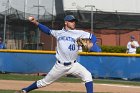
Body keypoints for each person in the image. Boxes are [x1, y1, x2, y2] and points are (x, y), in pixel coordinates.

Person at [15, 15, 99, 93]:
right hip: (60, 66)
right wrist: (35, 22)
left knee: (88, 76)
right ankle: (25, 90)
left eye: (74, 21)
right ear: (66, 22)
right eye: (71, 21)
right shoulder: (58, 33)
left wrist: (92, 43)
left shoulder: (78, 33)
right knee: (44, 82)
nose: (74, 23)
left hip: (74, 64)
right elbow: (47, 31)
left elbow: (93, 37)